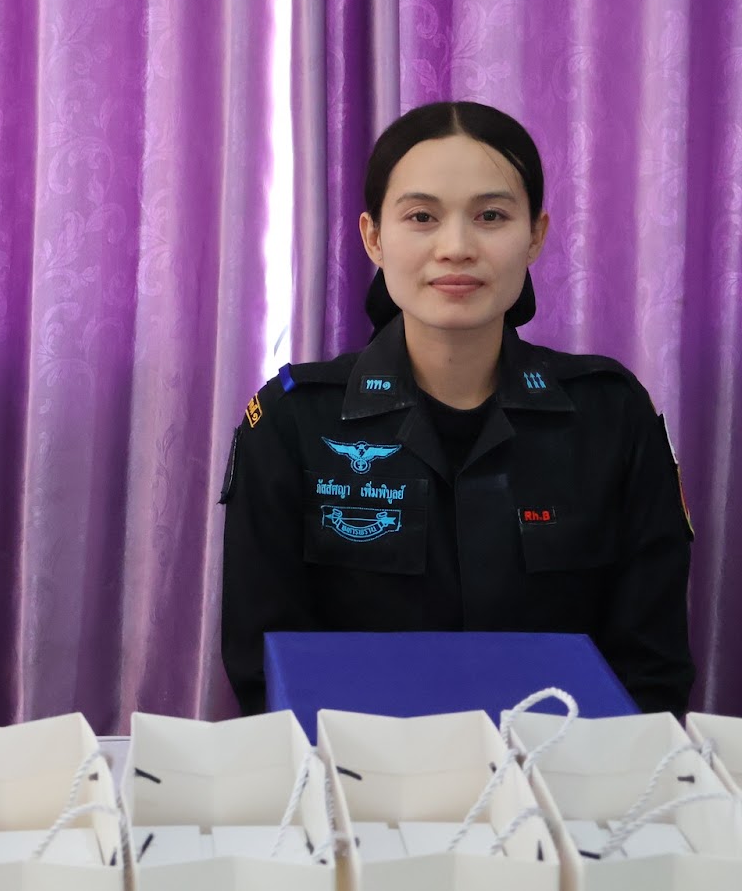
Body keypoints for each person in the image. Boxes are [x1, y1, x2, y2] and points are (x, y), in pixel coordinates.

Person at [219, 101, 694, 716]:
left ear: (535, 236)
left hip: (568, 765)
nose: (456, 247)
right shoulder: (292, 422)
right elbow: (266, 665)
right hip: (355, 766)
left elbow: (651, 667)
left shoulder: (612, 415)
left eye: (491, 216)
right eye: (421, 216)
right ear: (374, 237)